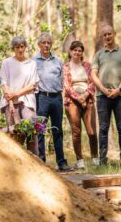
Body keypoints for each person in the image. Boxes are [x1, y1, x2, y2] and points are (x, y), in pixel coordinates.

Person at [91, 25, 121, 165]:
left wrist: (119, 89)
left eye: (109, 34)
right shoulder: (98, 54)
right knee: (103, 128)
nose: (107, 37)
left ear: (114, 34)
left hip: (120, 96)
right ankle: (102, 160)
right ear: (102, 37)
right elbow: (93, 74)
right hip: (102, 97)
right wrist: (102, 88)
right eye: (104, 35)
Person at [33, 33, 73, 172]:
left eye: (48, 43)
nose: (46, 45)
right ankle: (41, 161)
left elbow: (62, 80)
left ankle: (61, 162)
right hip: (41, 98)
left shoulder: (58, 60)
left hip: (56, 98)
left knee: (57, 130)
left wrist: (61, 96)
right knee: (40, 130)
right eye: (43, 43)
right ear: (39, 45)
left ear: (51, 44)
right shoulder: (33, 61)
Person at [0, 36, 40, 155]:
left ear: (25, 47)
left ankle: (34, 158)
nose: (20, 49)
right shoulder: (7, 62)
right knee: (14, 131)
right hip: (10, 101)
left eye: (22, 46)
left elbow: (33, 85)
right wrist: (10, 102)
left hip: (27, 100)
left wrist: (16, 94)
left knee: (31, 129)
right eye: (17, 47)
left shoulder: (32, 63)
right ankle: (14, 159)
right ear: (13, 48)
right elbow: (3, 82)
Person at [63, 41, 98, 169]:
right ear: (70, 52)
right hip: (72, 102)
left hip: (87, 100)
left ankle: (95, 158)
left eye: (79, 50)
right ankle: (80, 160)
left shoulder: (87, 65)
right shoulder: (66, 67)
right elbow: (67, 86)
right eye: (75, 50)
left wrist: (85, 96)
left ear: (82, 52)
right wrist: (78, 98)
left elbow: (93, 82)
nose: (77, 52)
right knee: (76, 132)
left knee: (92, 131)